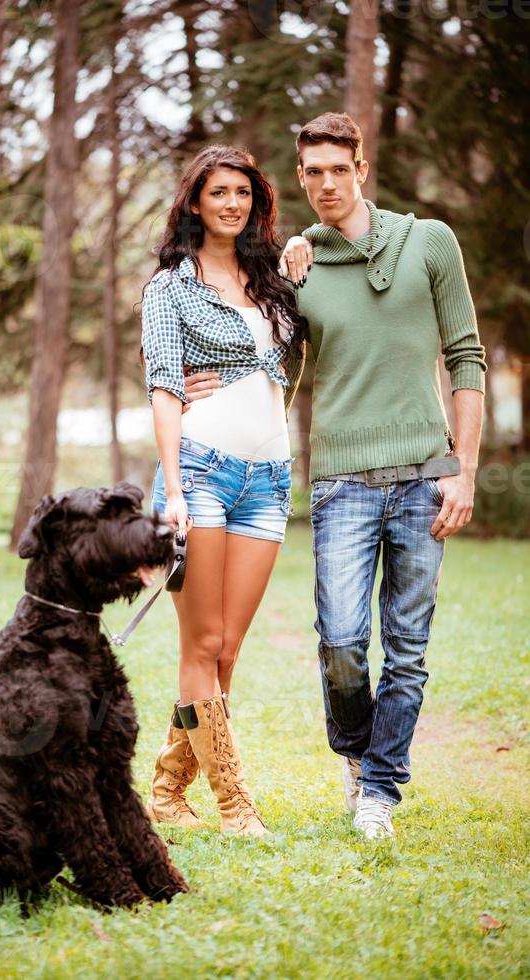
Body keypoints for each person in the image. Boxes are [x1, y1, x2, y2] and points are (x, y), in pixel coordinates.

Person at [183, 114, 487, 839]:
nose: (323, 184)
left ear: (362, 168)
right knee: (343, 643)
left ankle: (380, 790)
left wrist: (464, 471)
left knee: (407, 649)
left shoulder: (430, 243)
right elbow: (270, 363)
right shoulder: (298, 264)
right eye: (310, 172)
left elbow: (467, 356)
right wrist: (198, 384)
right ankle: (355, 756)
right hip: (341, 481)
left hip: (424, 477)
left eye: (336, 169)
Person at [141, 145, 307, 836]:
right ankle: (236, 803)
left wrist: (300, 253)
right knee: (201, 644)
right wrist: (173, 490)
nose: (231, 203)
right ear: (195, 203)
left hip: (269, 481)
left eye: (242, 192)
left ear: (255, 200)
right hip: (201, 474)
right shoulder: (168, 287)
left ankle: (166, 788)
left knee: (228, 650)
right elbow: (163, 386)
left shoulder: (271, 277)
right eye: (218, 193)